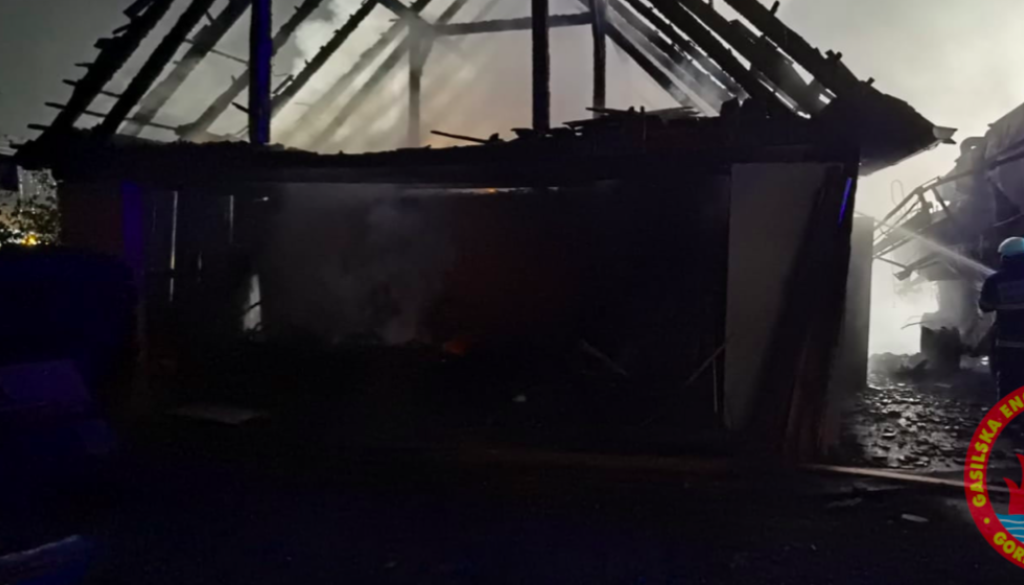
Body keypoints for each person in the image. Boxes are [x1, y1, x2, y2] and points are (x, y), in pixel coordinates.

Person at [980, 236, 1024, 399]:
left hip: (1008, 344)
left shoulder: (994, 281)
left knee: (1008, 384)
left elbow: (985, 306)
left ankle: (1011, 414)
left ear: (1004, 258)